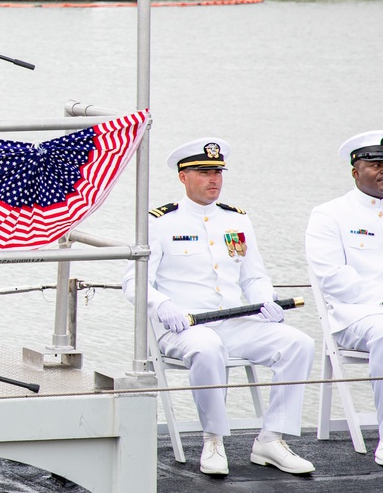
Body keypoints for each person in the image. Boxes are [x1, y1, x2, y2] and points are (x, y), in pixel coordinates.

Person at [121, 137, 315, 477]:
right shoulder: (160, 222)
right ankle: (213, 439)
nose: (214, 179)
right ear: (183, 177)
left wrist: (265, 300)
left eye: (218, 172)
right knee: (207, 347)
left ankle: (271, 440)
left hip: (234, 322)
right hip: (183, 327)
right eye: (205, 172)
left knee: (299, 343)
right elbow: (133, 282)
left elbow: (254, 276)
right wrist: (163, 304)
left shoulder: (236, 220)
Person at [305, 130, 383, 467]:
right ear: (355, 171)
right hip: (356, 317)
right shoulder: (330, 215)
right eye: (376, 164)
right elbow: (332, 277)